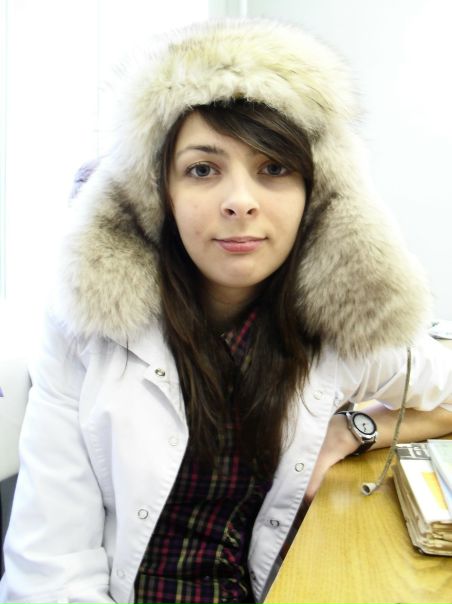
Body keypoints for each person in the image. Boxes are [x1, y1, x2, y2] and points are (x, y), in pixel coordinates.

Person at [1, 18, 452, 604]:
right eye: (203, 169)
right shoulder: (88, 331)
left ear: (316, 196)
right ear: (160, 192)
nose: (240, 202)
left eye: (274, 169)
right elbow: (49, 574)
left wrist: (354, 430)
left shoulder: (337, 330)